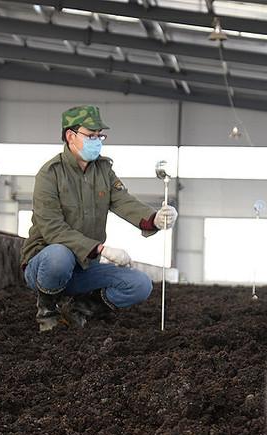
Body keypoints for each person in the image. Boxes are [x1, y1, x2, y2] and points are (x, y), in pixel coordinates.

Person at [20, 105, 178, 332]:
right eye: (90, 135)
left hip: (84, 266)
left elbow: (124, 201)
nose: (97, 141)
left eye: (100, 136)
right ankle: (47, 311)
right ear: (70, 136)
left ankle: (80, 309)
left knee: (139, 285)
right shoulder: (50, 174)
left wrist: (155, 219)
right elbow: (53, 229)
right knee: (59, 254)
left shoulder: (103, 170)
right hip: (44, 266)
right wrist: (102, 249)